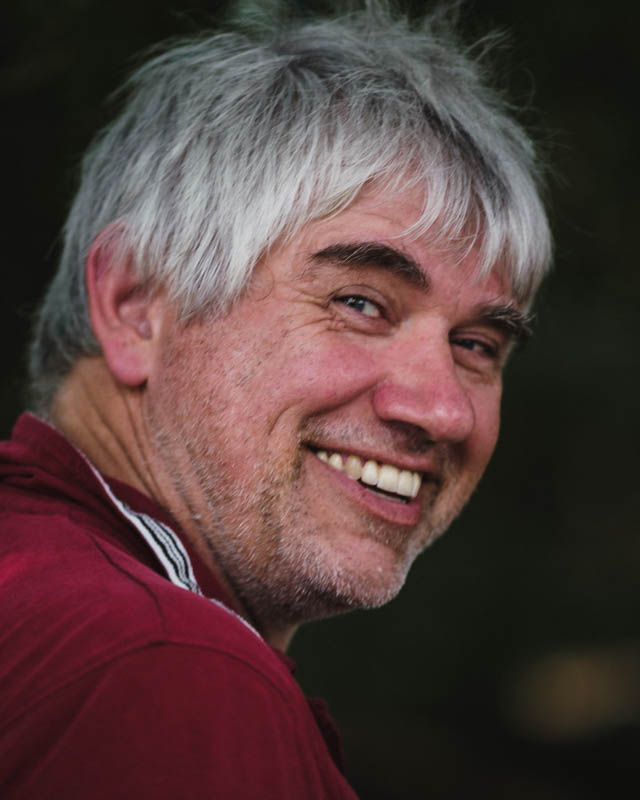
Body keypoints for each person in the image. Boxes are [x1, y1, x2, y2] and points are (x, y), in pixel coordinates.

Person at [0, 2, 551, 797]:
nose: (443, 411)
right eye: (360, 303)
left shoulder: (51, 611)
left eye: (477, 346)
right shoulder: (165, 670)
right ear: (134, 304)